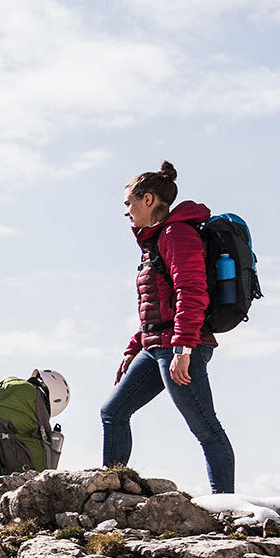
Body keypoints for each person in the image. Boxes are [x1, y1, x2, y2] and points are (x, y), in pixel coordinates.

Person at [99, 161, 235, 493]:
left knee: (205, 428)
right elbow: (156, 308)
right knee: (113, 412)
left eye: (129, 203)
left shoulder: (178, 234)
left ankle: (228, 504)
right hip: (157, 346)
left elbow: (191, 293)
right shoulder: (155, 240)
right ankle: (110, 491)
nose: (126, 212)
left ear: (148, 200)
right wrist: (133, 351)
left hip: (180, 346)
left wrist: (184, 348)